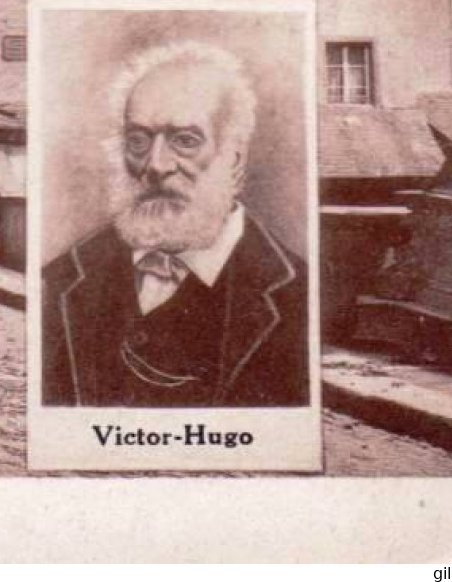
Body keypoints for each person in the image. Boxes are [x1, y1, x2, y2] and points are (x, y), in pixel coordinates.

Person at [40, 41, 309, 408]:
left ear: (234, 159)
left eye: (185, 141)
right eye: (138, 140)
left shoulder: (299, 293)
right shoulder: (63, 277)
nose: (156, 165)